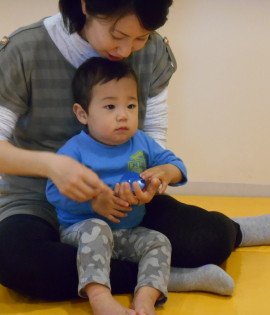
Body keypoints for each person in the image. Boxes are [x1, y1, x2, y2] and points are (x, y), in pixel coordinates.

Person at [0, 0, 270, 305]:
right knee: (15, 260)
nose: (126, 50)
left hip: (126, 200)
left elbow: (153, 138)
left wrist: (150, 182)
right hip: (38, 199)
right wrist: (52, 166)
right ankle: (161, 277)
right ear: (86, 5)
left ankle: (235, 231)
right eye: (117, 35)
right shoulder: (23, 50)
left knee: (208, 241)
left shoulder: (154, 51)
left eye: (141, 38)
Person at [46, 57, 188, 315]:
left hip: (125, 232)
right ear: (83, 114)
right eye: (110, 106)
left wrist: (164, 173)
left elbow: (176, 165)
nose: (123, 115)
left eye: (131, 105)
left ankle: (145, 298)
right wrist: (93, 202)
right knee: (97, 227)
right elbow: (53, 191)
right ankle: (100, 297)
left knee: (159, 242)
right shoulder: (75, 150)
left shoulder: (141, 142)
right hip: (81, 232)